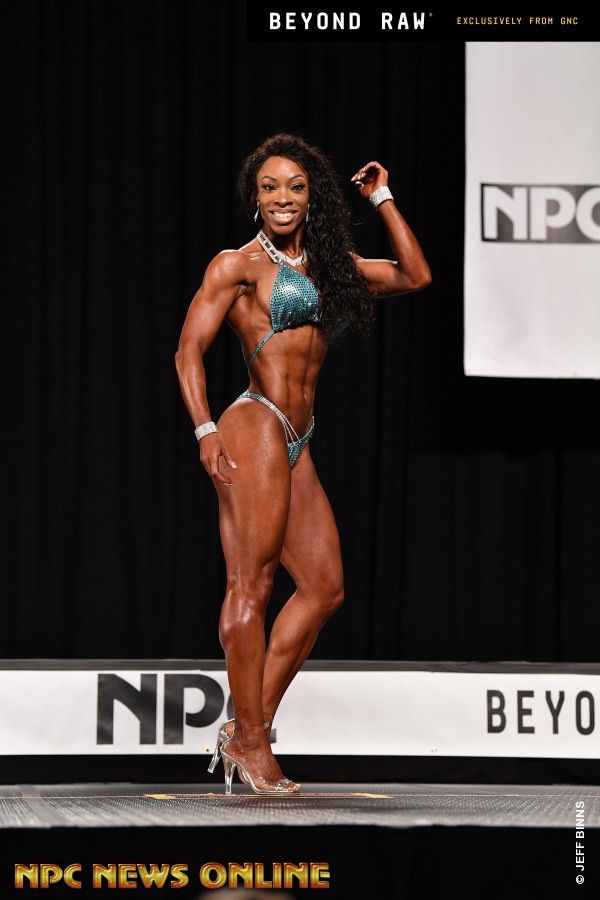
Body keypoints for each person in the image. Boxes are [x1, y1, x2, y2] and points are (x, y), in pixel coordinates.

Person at [174, 133, 431, 795]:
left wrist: (383, 198)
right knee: (251, 586)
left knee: (324, 587)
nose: (282, 197)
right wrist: (205, 428)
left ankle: (246, 728)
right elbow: (187, 351)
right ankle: (254, 742)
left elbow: (414, 275)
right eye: (269, 188)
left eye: (294, 186)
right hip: (254, 422)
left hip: (298, 435)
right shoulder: (237, 265)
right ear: (254, 199)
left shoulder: (330, 265)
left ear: (312, 196)